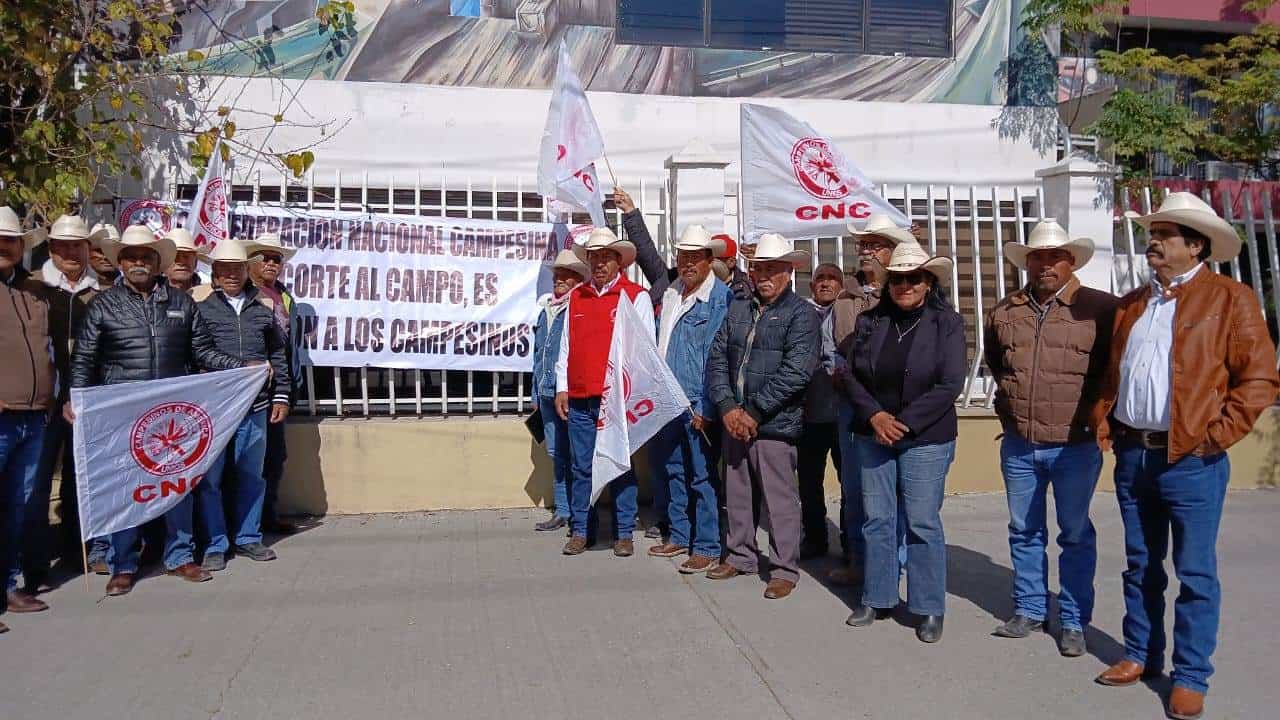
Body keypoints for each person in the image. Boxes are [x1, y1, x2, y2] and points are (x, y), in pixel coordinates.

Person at [1092, 192, 1279, 720]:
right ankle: (1142, 654)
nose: (1153, 240)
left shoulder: (1230, 299)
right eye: (1154, 232)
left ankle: (1191, 674)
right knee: (1140, 565)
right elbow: (1115, 374)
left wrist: (1215, 437)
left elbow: (1260, 378)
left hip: (1192, 459)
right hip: (1135, 454)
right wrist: (1107, 421)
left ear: (1194, 245)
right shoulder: (1132, 303)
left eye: (1166, 234)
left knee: (1194, 573)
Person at [67, 225, 246, 596]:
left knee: (177, 485)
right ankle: (123, 564)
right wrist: (77, 399)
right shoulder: (103, 306)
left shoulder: (181, 305)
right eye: (131, 256)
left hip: (171, 416)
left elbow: (202, 352)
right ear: (120, 261)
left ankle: (180, 555)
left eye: (146, 256)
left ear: (157, 262)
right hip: (122, 415)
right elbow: (84, 359)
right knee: (126, 489)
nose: (138, 262)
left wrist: (243, 367)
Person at [983, 219, 1118, 657]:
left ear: (1071, 261)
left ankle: (1075, 620)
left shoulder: (1101, 309)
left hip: (1075, 444)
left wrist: (1103, 421)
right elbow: (998, 366)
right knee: (1024, 530)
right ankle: (1029, 609)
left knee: (1075, 533)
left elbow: (1115, 373)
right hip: (1021, 444)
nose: (1045, 264)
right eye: (1037, 256)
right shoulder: (1005, 311)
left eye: (1054, 256)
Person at [843, 241, 964, 643]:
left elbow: (950, 384)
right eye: (898, 279)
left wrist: (904, 424)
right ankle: (877, 597)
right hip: (874, 432)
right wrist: (876, 416)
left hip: (926, 437)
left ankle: (928, 607)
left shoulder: (946, 323)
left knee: (921, 521)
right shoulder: (870, 321)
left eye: (914, 278)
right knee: (877, 520)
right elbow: (851, 375)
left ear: (929, 282)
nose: (905, 286)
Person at [705, 232, 820, 600]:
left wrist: (752, 411)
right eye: (759, 269)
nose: (765, 276)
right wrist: (727, 408)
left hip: (774, 424)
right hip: (736, 419)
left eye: (773, 269)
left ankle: (785, 568)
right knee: (737, 493)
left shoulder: (802, 315)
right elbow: (718, 359)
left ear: (788, 272)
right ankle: (740, 555)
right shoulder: (739, 308)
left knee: (779, 499)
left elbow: (796, 372)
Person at [192, 240, 291, 570]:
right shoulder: (202, 308)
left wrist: (281, 395)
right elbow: (199, 352)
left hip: (257, 405)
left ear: (247, 270)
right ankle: (215, 543)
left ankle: (248, 537)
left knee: (252, 474)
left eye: (237, 267)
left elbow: (277, 354)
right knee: (211, 480)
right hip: (216, 409)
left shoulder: (263, 308)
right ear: (215, 273)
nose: (231, 274)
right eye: (224, 268)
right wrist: (240, 366)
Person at [554, 228, 653, 557]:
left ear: (618, 261)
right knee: (582, 467)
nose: (598, 263)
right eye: (593, 257)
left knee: (619, 464)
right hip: (581, 398)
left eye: (605, 257)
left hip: (616, 401)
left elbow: (644, 352)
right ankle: (582, 529)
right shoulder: (577, 297)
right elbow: (565, 347)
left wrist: (632, 394)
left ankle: (624, 532)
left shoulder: (634, 296)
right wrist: (562, 388)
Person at [828, 214, 914, 585]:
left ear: (892, 252)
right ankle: (858, 561)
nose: (865, 253)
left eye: (874, 245)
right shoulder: (845, 298)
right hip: (852, 405)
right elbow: (832, 348)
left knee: (899, 493)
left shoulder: (903, 293)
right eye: (862, 246)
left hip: (897, 407)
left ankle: (894, 563)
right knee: (855, 488)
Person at [28, 216, 112, 583]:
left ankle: (79, 548)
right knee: (36, 480)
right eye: (64, 246)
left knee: (84, 479)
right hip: (43, 400)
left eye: (77, 245)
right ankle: (34, 557)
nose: (71, 252)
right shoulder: (32, 287)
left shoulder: (102, 293)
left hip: (87, 399)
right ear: (51, 249)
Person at [646, 225, 731, 574]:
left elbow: (718, 354)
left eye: (696, 257)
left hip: (697, 401)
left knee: (702, 475)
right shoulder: (671, 293)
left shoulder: (720, 299)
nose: (688, 263)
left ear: (710, 260)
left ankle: (708, 545)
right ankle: (680, 533)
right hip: (669, 399)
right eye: (683, 256)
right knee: (674, 470)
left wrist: (708, 406)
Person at [0, 207, 52, 626]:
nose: (6, 246)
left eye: (12, 240)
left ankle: (7, 584)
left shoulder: (35, 294)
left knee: (16, 506)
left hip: (33, 417)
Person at [245, 233, 301, 535]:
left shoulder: (284, 295)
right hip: (250, 389)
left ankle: (267, 516)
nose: (271, 263)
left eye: (276, 259)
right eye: (264, 258)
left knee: (275, 456)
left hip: (279, 386)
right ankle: (244, 526)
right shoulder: (245, 295)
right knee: (247, 461)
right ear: (249, 263)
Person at [531, 249, 587, 532]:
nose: (559, 281)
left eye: (565, 277)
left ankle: (579, 511)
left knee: (577, 454)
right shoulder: (547, 311)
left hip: (569, 393)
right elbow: (537, 353)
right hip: (546, 392)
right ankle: (563, 510)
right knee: (556, 453)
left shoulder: (578, 309)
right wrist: (534, 395)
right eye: (557, 276)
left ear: (577, 280)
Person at [797, 262, 846, 560]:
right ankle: (815, 538)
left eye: (832, 279)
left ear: (841, 285)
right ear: (812, 285)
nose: (826, 283)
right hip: (809, 416)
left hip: (843, 417)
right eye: (820, 279)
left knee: (850, 485)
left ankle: (851, 542)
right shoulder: (802, 314)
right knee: (809, 483)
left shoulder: (851, 313)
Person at [164, 227, 202, 293]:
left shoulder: (210, 298)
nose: (181, 261)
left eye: (186, 256)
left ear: (195, 262)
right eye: (175, 256)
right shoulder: (147, 296)